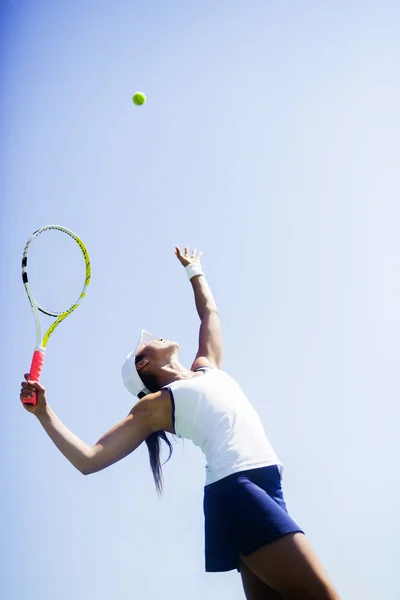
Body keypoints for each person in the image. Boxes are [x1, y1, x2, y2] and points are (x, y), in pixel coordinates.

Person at [20, 246, 340, 600]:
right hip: (238, 489)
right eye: (146, 344)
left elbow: (210, 313)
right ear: (144, 366)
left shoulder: (208, 367)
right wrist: (44, 413)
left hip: (266, 487)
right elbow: (89, 459)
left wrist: (194, 270)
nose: (154, 336)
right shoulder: (156, 406)